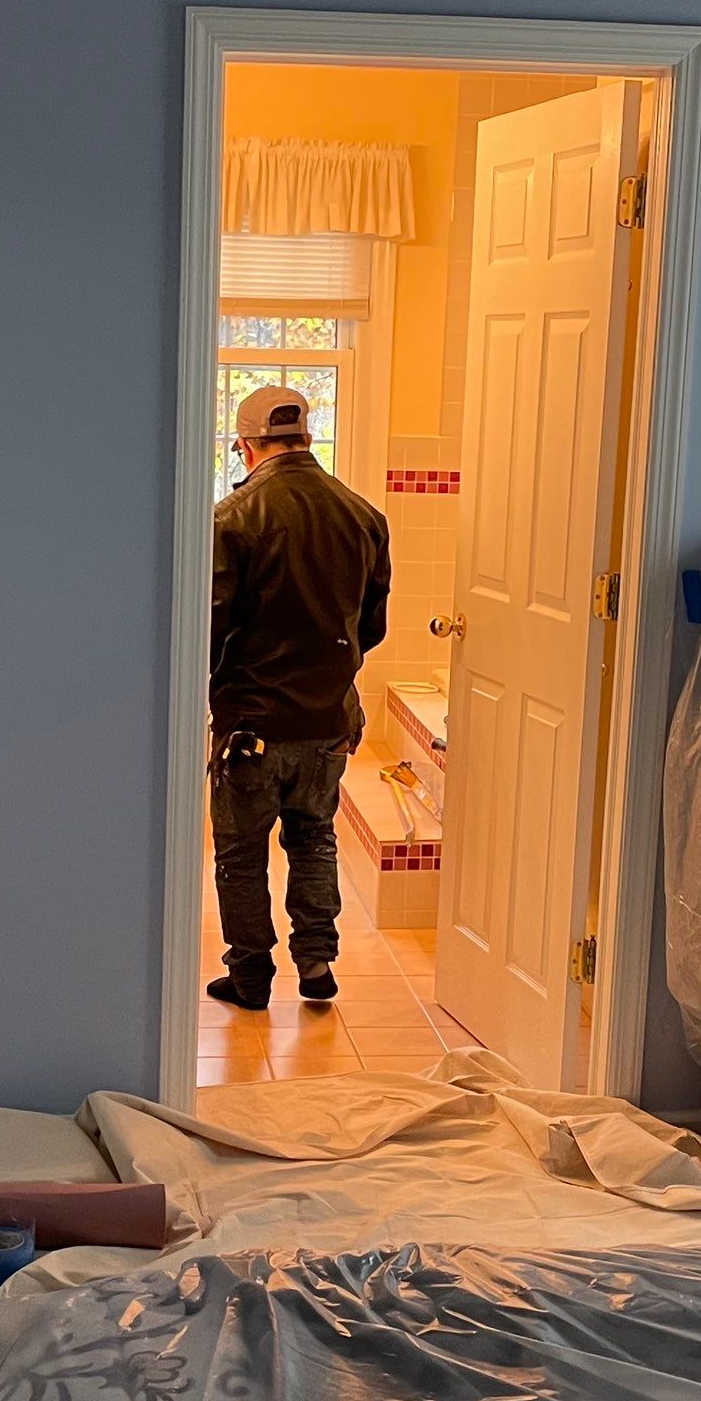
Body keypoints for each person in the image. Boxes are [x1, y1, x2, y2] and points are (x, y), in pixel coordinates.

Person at [206, 384, 392, 1011]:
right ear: (305, 439)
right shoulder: (363, 514)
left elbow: (211, 623)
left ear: (246, 445)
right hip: (328, 720)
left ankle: (251, 977)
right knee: (314, 838)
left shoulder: (231, 518)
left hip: (251, 725)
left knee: (240, 852)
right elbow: (371, 627)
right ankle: (316, 965)